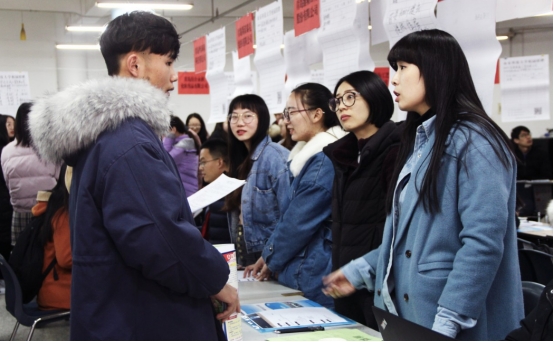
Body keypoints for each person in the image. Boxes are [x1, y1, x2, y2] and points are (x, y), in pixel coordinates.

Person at [29, 11, 238, 340]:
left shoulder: (106, 137)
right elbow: (160, 240)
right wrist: (215, 279)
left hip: (117, 311)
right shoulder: (129, 144)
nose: (174, 77)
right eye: (168, 63)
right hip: (142, 317)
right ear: (136, 65)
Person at [322, 29, 523, 340]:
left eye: (403, 68)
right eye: (394, 69)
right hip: (415, 318)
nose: (394, 81)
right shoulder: (423, 140)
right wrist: (359, 271)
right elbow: (410, 242)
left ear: (435, 68)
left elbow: (482, 244)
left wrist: (446, 324)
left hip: (452, 323)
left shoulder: (475, 142)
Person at [244, 83, 347, 307]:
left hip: (312, 267)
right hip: (303, 262)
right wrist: (267, 256)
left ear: (317, 114)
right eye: (285, 113)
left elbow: (298, 221)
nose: (285, 120)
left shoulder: (323, 159)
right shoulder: (307, 156)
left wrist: (270, 258)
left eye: (291, 112)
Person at [321, 70, 400, 328]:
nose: (341, 106)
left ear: (374, 96)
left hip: (381, 283)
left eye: (350, 97)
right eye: (337, 100)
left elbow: (399, 225)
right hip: (346, 281)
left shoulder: (396, 150)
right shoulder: (344, 155)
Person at [223, 94, 289, 268]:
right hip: (244, 249)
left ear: (262, 119)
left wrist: (272, 257)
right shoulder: (240, 159)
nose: (239, 122)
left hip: (269, 253)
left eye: (247, 116)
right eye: (234, 117)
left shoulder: (275, 157)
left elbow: (290, 215)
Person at [1, 103, 58, 245]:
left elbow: (8, 182)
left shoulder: (7, 151)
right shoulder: (50, 148)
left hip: (20, 214)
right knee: (48, 255)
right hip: (47, 212)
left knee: (21, 255)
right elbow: (59, 180)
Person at [36, 165, 72, 310]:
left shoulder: (54, 204)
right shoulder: (63, 213)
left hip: (50, 288)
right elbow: (66, 259)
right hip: (60, 293)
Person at [198, 139, 231, 244]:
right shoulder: (215, 191)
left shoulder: (231, 194)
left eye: (203, 162)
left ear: (219, 162)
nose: (200, 168)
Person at [163, 115, 200, 196]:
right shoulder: (185, 141)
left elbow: (165, 161)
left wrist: (169, 137)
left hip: (187, 191)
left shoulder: (183, 145)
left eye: (165, 131)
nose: (164, 134)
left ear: (173, 129)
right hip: (185, 188)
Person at [0, 115, 13, 293]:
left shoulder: (11, 149)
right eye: (8, 124)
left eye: (13, 124)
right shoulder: (5, 151)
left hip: (9, 200)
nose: (12, 127)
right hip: (4, 200)